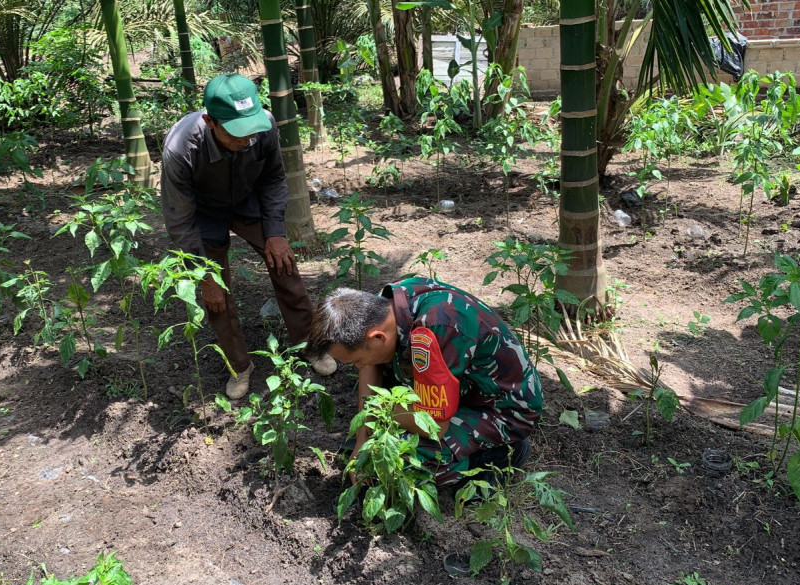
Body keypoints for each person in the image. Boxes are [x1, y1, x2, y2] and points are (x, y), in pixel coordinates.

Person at [161, 73, 336, 399]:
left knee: (285, 265)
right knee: (215, 295)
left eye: (252, 128)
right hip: (204, 212)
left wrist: (275, 232)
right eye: (237, 133)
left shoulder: (263, 126)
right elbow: (179, 218)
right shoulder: (180, 148)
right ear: (210, 121)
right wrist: (203, 273)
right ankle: (239, 366)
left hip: (248, 200)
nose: (248, 138)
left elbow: (272, 179)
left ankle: (310, 346)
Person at [306, 278, 542, 485]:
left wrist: (379, 413)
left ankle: (501, 453)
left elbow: (433, 425)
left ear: (378, 337)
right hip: (458, 391)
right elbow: (371, 366)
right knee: (366, 450)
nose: (358, 367)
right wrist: (362, 437)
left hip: (500, 409)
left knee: (398, 466)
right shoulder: (379, 309)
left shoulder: (435, 329)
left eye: (356, 360)